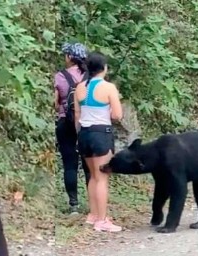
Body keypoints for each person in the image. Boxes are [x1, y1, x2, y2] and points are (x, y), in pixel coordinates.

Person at [74, 51, 123, 232]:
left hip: (84, 134)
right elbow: (117, 115)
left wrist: (79, 133)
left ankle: (93, 215)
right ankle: (102, 220)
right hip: (101, 134)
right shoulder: (109, 87)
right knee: (102, 177)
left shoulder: (79, 87)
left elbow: (77, 115)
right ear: (104, 68)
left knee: (93, 176)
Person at [54, 42, 91, 215]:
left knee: (70, 165)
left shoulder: (60, 76)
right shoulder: (91, 77)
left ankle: (74, 205)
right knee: (89, 164)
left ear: (70, 57)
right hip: (87, 124)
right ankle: (94, 204)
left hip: (66, 123)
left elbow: (56, 103)